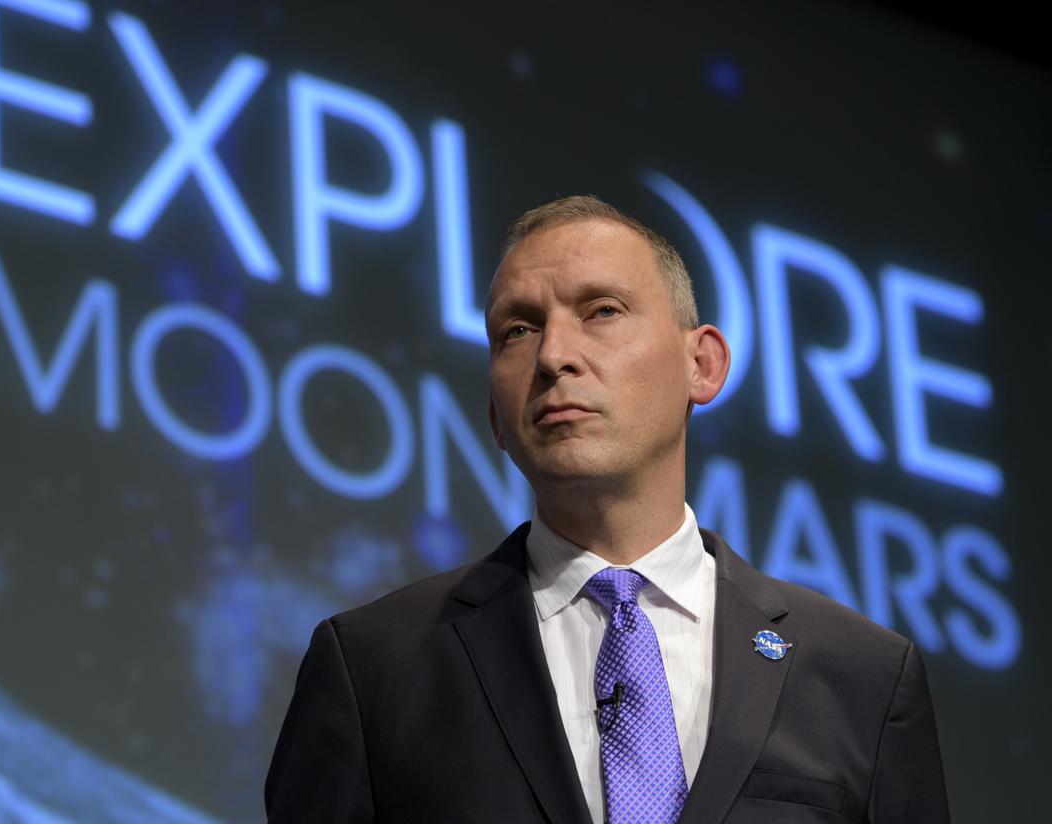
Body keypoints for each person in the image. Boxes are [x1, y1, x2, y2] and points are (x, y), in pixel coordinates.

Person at [265, 195, 949, 823]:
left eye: (602, 311)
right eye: (517, 330)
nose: (554, 356)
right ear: (496, 417)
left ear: (703, 365)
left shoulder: (863, 677)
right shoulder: (374, 668)